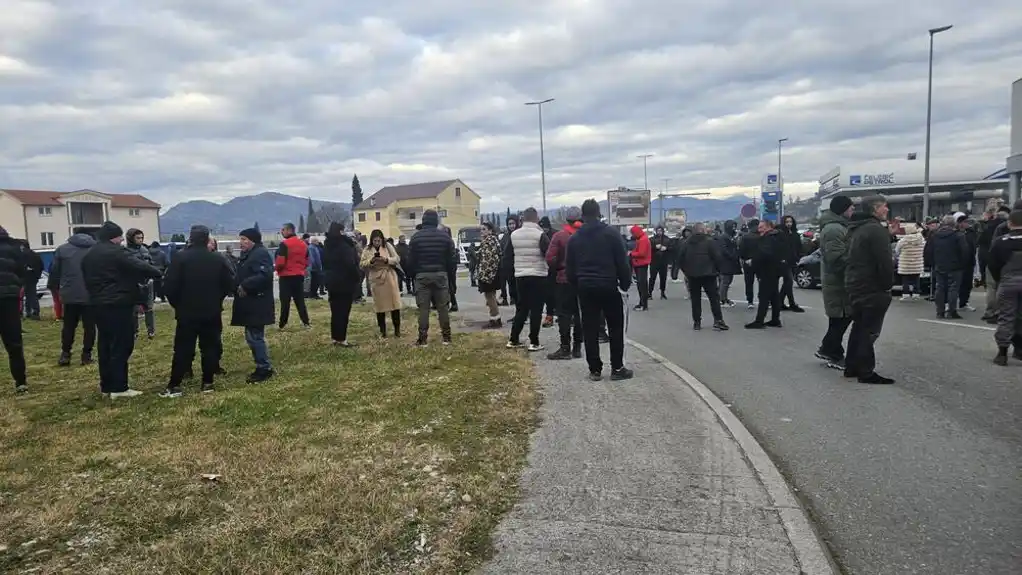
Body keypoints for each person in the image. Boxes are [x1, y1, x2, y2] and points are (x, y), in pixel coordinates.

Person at [81, 221, 162, 398]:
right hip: (118, 304)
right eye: (120, 237)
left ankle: (106, 386)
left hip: (97, 304)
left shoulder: (90, 254)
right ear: (114, 237)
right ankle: (119, 387)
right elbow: (140, 266)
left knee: (105, 344)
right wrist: (158, 272)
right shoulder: (117, 252)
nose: (121, 241)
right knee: (121, 344)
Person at [160, 225, 235, 397]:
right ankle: (208, 383)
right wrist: (217, 299)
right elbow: (229, 284)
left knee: (183, 348)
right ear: (207, 239)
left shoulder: (180, 258)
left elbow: (169, 286)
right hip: (211, 310)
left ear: (191, 238)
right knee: (209, 347)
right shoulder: (217, 258)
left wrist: (177, 305)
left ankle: (175, 385)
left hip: (187, 311)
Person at [566, 199, 634, 381]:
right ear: (598, 213)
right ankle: (617, 368)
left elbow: (569, 268)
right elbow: (623, 262)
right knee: (615, 327)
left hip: (586, 287)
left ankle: (595, 369)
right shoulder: (611, 234)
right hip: (609, 285)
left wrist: (577, 285)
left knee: (590, 329)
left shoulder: (575, 239)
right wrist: (625, 284)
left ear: (582, 216)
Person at [843, 196, 895, 384]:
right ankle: (865, 371)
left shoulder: (856, 228)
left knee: (859, 327)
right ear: (874, 209)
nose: (887, 210)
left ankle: (851, 366)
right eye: (884, 206)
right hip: (872, 285)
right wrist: (887, 284)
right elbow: (884, 261)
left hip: (855, 283)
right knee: (869, 330)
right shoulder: (875, 229)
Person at [405, 209, 457, 346]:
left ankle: (422, 339)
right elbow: (452, 260)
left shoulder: (416, 237)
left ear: (423, 221)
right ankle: (446, 337)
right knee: (443, 308)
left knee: (423, 309)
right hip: (441, 274)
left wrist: (414, 274)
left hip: (422, 275)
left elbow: (410, 260)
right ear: (436, 221)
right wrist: (450, 277)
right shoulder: (445, 237)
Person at [502, 208, 550, 351]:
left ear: (523, 219)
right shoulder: (540, 235)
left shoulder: (514, 235)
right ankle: (534, 342)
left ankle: (513, 339)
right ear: (536, 219)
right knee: (536, 310)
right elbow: (548, 254)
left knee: (522, 308)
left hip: (520, 276)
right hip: (538, 275)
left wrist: (512, 274)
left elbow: (507, 256)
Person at [232, 228, 276, 382]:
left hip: (258, 302)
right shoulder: (249, 254)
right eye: (240, 239)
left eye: (244, 239)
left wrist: (245, 285)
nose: (241, 242)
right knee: (252, 336)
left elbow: (265, 275)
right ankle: (262, 365)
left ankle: (264, 368)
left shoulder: (260, 254)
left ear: (253, 240)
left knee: (255, 337)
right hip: (251, 303)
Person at [815, 195, 854, 368]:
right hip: (837, 282)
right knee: (842, 317)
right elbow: (836, 258)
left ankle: (828, 349)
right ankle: (833, 353)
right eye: (850, 207)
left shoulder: (839, 226)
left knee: (839, 319)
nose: (853, 210)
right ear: (842, 209)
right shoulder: (833, 229)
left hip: (838, 281)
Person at [49, 231, 97, 367]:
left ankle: (65, 354)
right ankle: (86, 355)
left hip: (69, 293)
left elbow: (55, 270)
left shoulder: (62, 249)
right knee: (90, 327)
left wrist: (55, 287)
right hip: (91, 293)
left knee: (69, 326)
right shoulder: (95, 249)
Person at [545, 208, 584, 359]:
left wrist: (558, 268)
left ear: (566, 220)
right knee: (579, 313)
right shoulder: (585, 235)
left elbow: (550, 258)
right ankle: (577, 348)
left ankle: (565, 348)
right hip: (583, 279)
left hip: (564, 279)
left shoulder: (560, 236)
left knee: (564, 314)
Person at [676, 223, 728, 331]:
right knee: (714, 298)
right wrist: (717, 270)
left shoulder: (686, 243)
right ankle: (718, 320)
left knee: (695, 299)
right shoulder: (709, 241)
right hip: (709, 274)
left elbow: (680, 259)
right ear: (702, 230)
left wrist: (686, 271)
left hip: (692, 275)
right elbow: (717, 257)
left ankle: (697, 322)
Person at [987, 209, 1022, 365]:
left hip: (1008, 282)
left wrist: (1000, 280)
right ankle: (1019, 349)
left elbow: (993, 264)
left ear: (1009, 223)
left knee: (1006, 317)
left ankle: (1002, 353)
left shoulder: (1000, 241)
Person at [925, 215, 970, 319]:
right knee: (953, 289)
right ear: (954, 224)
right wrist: (963, 264)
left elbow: (928, 251)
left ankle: (940, 311)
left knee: (940, 288)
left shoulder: (934, 235)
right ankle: (951, 311)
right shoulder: (959, 236)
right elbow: (965, 252)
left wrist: (932, 263)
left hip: (939, 265)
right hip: (955, 266)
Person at [0, 226, 28, 393]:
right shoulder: (15, 247)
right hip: (9, 298)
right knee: (14, 342)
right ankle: (20, 381)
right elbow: (22, 271)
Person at [322, 222, 360, 346]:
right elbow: (350, 264)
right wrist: (357, 276)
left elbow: (324, 263)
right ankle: (342, 339)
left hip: (332, 282)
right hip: (345, 282)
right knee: (343, 311)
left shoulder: (327, 245)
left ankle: (335, 337)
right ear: (340, 231)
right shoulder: (344, 245)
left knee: (335, 311)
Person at [361, 229, 403, 337]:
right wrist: (371, 261)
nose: (377, 243)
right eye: (375, 241)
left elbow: (397, 259)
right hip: (376, 279)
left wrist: (386, 260)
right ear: (371, 240)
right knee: (380, 307)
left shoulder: (388, 246)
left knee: (394, 305)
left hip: (389, 276)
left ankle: (397, 330)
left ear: (382, 239)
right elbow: (362, 263)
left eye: (378, 241)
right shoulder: (367, 249)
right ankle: (382, 331)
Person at [745, 220, 786, 329]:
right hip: (776, 270)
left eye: (761, 227)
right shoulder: (778, 236)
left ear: (768, 227)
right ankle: (775, 319)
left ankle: (759, 321)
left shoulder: (768, 238)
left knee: (763, 296)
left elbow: (765, 254)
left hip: (767, 270)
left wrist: (753, 261)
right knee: (774, 295)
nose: (759, 230)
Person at [275, 222, 311, 329]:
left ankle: (282, 324)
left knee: (285, 301)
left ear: (289, 230)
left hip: (286, 276)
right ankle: (306, 322)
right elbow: (307, 260)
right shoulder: (303, 244)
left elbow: (280, 262)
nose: (282, 232)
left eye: (283, 230)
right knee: (300, 300)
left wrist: (276, 269)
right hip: (299, 275)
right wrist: (301, 269)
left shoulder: (284, 244)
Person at [981, 206, 1012, 323]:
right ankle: (1001, 311)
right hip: (1007, 261)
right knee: (1002, 287)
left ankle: (990, 311)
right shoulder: (1009, 227)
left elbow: (982, 244)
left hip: (991, 259)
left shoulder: (988, 226)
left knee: (991, 288)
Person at [125, 228, 157, 338]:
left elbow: (151, 264)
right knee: (134, 309)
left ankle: (151, 331)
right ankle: (134, 331)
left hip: (148, 282)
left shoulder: (145, 250)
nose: (140, 240)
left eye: (142, 238)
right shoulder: (126, 251)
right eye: (138, 238)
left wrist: (152, 275)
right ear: (131, 238)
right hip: (134, 283)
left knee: (149, 308)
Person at [475, 222, 504, 329]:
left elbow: (488, 260)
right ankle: (494, 318)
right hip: (492, 273)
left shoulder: (489, 242)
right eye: (481, 229)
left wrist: (484, 275)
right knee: (491, 297)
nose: (482, 231)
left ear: (490, 230)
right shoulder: (493, 241)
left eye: (484, 229)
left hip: (489, 274)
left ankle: (495, 319)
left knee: (490, 297)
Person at [779, 215, 805, 312]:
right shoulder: (781, 234)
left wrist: (799, 257)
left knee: (787, 283)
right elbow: (779, 248)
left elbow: (799, 247)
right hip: (784, 262)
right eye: (787, 222)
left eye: (790, 222)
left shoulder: (795, 234)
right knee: (789, 281)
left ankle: (780, 302)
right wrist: (781, 258)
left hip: (793, 261)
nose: (789, 224)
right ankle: (791, 303)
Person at [715, 220, 742, 307]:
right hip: (725, 262)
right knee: (725, 282)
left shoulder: (730, 236)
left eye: (735, 226)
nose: (734, 228)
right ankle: (722, 300)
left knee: (727, 281)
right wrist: (733, 256)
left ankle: (724, 298)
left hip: (730, 262)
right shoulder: (723, 237)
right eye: (732, 227)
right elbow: (724, 250)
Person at [895, 224, 925, 300]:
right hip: (917, 263)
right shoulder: (921, 239)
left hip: (905, 263)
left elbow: (897, 250)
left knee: (905, 279)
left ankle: (906, 294)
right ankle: (916, 294)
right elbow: (924, 249)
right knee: (916, 279)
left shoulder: (903, 240)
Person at [957, 214, 979, 311]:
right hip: (958, 263)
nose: (968, 224)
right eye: (965, 222)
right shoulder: (956, 233)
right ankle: (953, 302)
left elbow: (974, 245)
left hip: (969, 262)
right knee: (957, 284)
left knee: (967, 284)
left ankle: (964, 302)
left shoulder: (971, 232)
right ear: (960, 223)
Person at [628, 225, 652, 310]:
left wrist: (631, 254)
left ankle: (643, 305)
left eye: (633, 233)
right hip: (640, 264)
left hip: (641, 264)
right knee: (641, 285)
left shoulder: (643, 240)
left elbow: (642, 253)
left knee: (642, 285)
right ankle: (642, 303)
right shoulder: (642, 238)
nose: (632, 235)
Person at [739, 219, 760, 309]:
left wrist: (745, 258)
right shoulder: (762, 236)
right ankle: (763, 299)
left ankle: (750, 301)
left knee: (749, 282)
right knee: (762, 281)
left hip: (748, 263)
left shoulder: (745, 237)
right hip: (760, 262)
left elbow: (741, 250)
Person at [499, 215, 520, 306]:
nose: (511, 226)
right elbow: (501, 249)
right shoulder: (506, 236)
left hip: (519, 265)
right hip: (508, 267)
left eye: (513, 223)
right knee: (511, 286)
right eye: (509, 224)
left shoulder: (520, 234)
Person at [20, 242, 42, 320]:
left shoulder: (22, 255)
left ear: (23, 246)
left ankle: (30, 312)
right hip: (33, 278)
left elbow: (20, 266)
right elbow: (41, 266)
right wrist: (37, 275)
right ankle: (33, 311)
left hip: (25, 277)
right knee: (31, 294)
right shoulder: (36, 255)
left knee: (28, 295)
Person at [649, 226, 672, 299]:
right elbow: (648, 248)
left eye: (660, 230)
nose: (659, 232)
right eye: (658, 231)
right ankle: (650, 293)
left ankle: (662, 292)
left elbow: (672, 248)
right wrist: (655, 247)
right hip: (654, 261)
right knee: (652, 278)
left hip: (664, 261)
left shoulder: (667, 239)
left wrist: (666, 248)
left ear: (663, 231)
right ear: (656, 231)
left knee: (663, 278)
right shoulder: (652, 239)